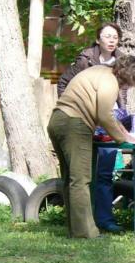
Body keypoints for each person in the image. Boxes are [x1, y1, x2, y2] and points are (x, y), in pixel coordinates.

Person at [47, 55, 135, 239]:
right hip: (74, 124)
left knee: (71, 179)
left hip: (58, 120)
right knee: (81, 180)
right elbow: (104, 116)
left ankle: (75, 229)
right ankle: (85, 233)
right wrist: (122, 140)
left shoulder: (99, 72)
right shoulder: (110, 82)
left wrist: (126, 135)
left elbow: (109, 117)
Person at [57, 22, 126, 233]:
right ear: (98, 39)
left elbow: (119, 97)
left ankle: (104, 220)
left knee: (104, 173)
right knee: (82, 174)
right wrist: (73, 106)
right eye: (107, 36)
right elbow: (63, 83)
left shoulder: (123, 61)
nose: (112, 40)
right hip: (84, 120)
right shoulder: (85, 59)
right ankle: (83, 225)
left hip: (110, 120)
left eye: (115, 36)